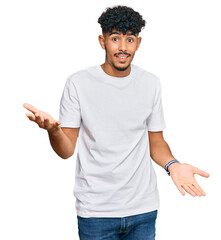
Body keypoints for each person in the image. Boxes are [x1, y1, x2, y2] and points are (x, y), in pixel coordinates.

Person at [23, 5, 210, 240]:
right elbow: (66, 150)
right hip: (96, 212)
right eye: (115, 39)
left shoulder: (150, 83)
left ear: (138, 43)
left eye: (130, 39)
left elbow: (156, 141)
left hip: (143, 210)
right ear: (102, 41)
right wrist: (53, 131)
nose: (123, 47)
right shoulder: (78, 83)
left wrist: (173, 165)